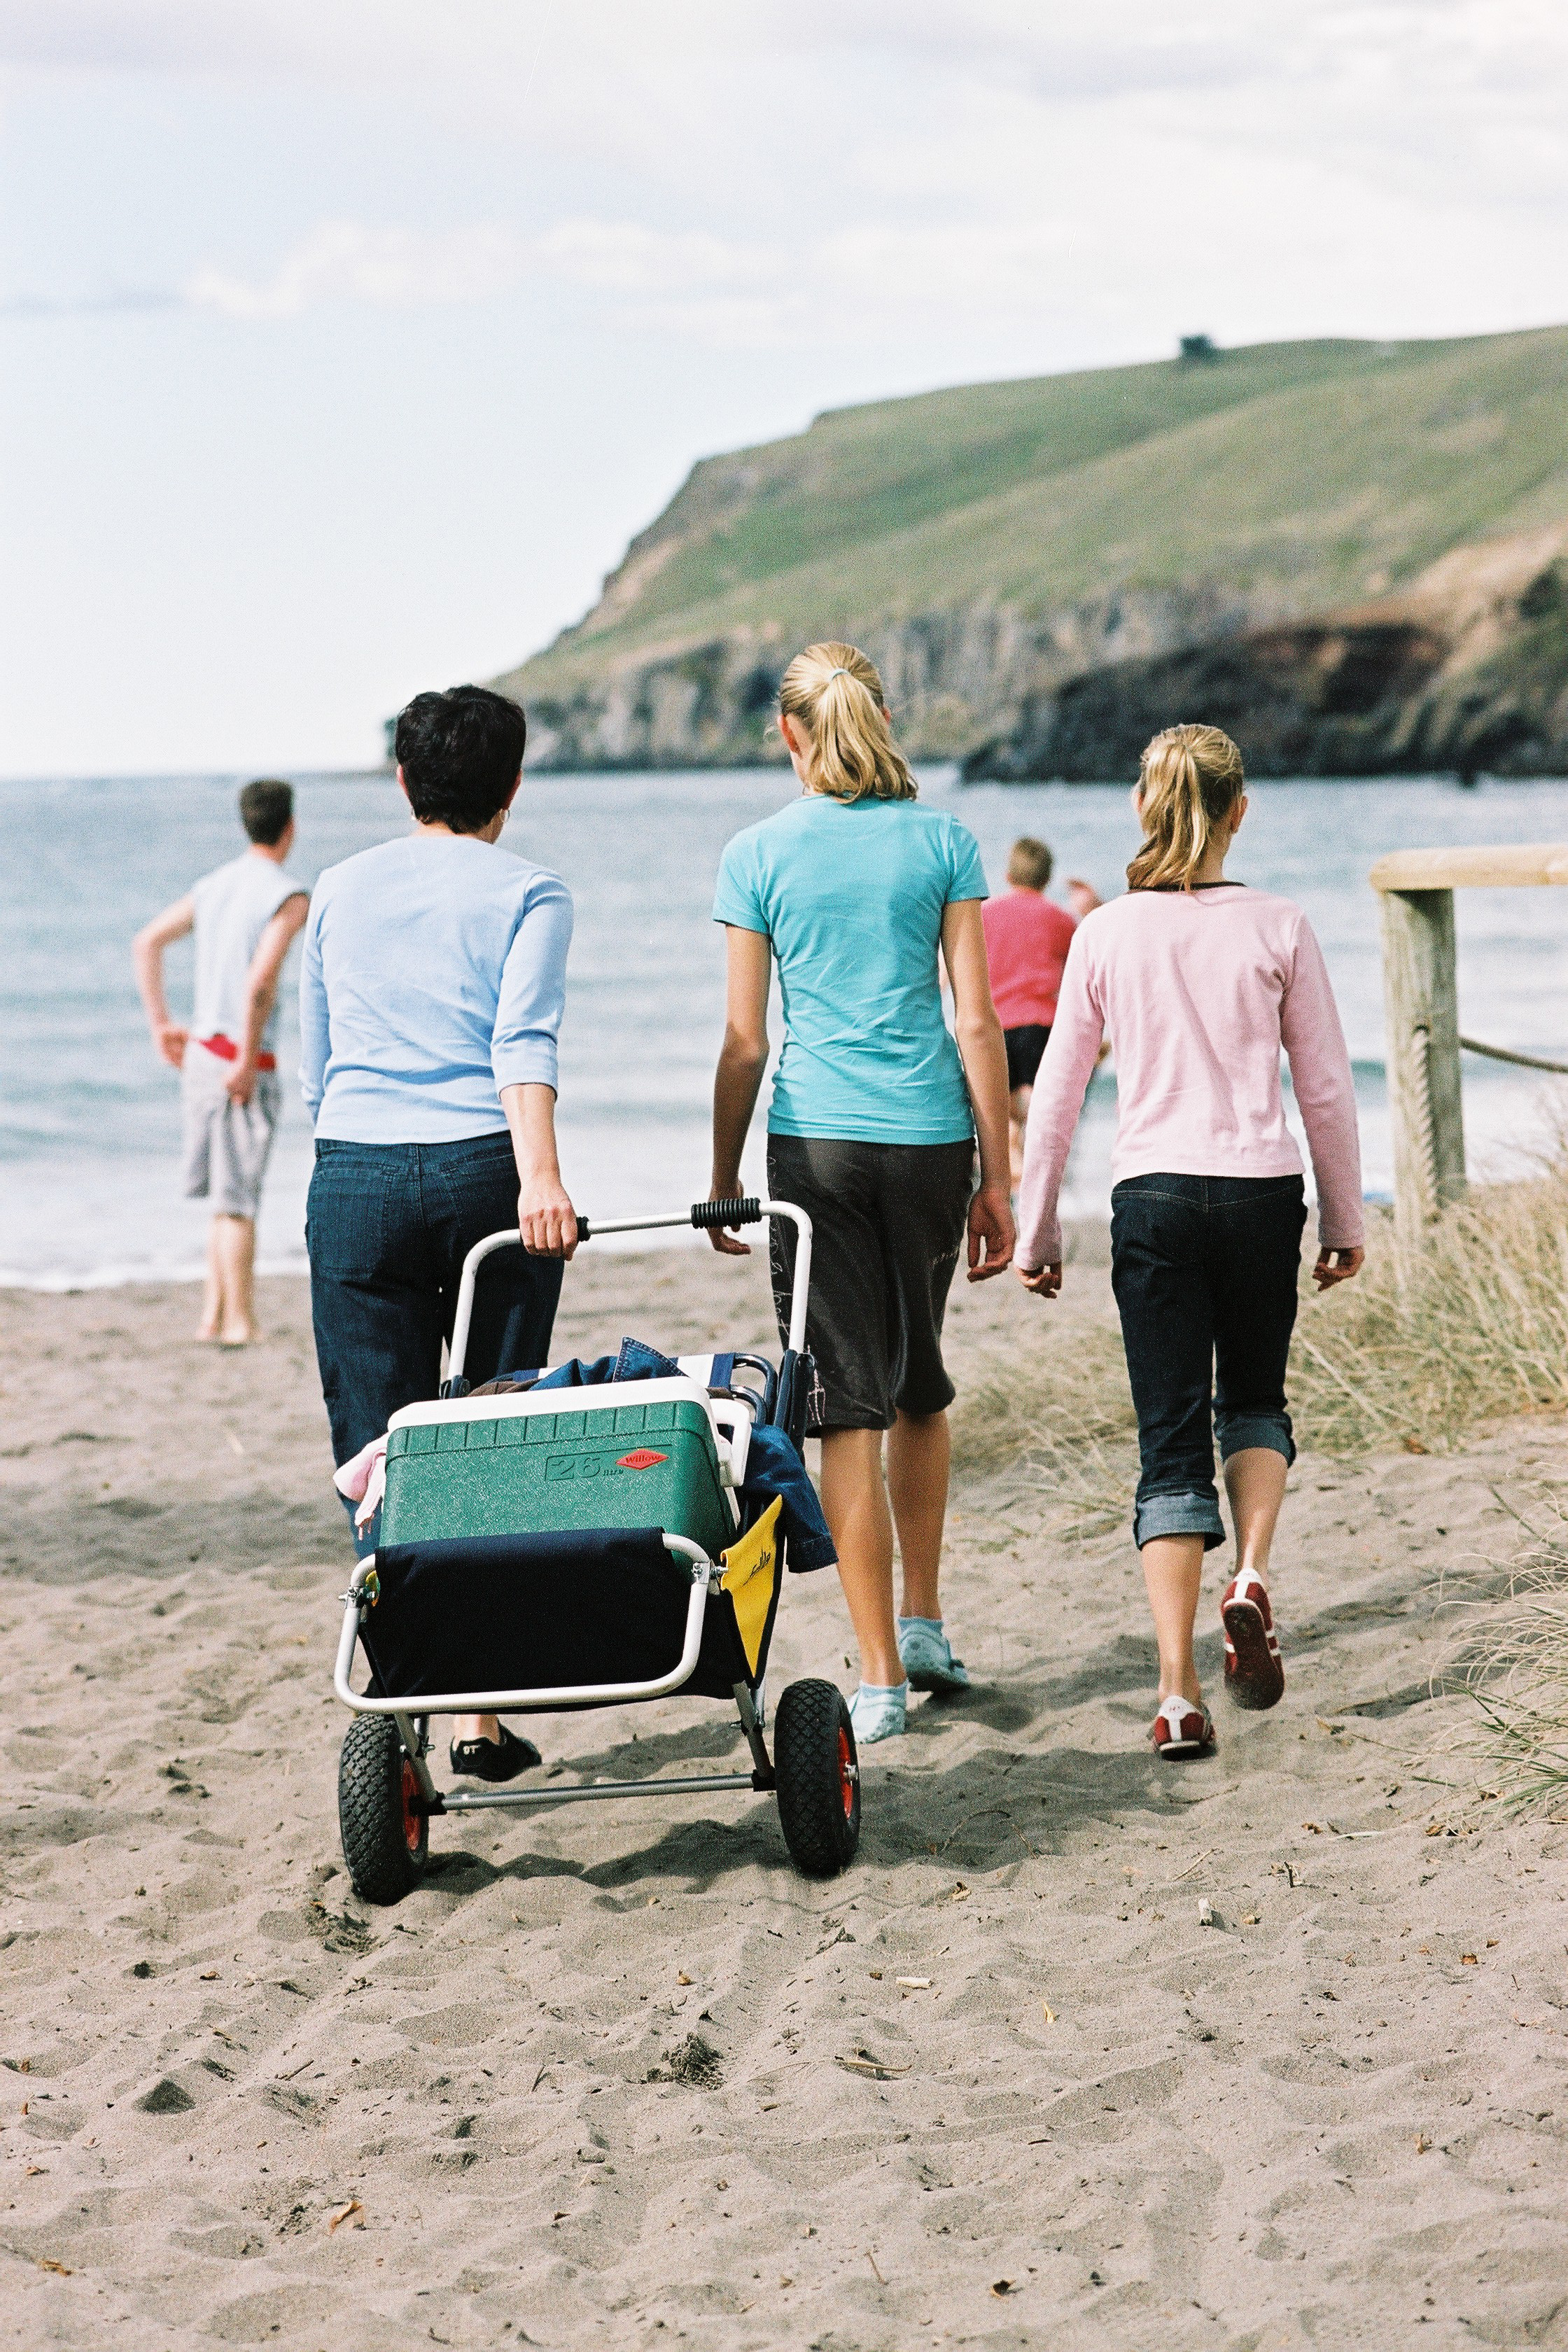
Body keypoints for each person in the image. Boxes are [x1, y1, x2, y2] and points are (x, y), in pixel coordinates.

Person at [1014, 723, 1364, 1758]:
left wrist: (1038, 1232)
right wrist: (1344, 1218)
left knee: (1168, 1442)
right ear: (1240, 810)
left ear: (1143, 806)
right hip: (1261, 1195)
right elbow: (1328, 1090)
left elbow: (1060, 1100)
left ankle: (1174, 1695)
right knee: (1253, 1401)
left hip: (1154, 1200)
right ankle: (1250, 1573)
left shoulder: (1107, 933)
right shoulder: (1282, 925)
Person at [706, 641, 1015, 1745]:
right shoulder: (945, 840)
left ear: (789, 733)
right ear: (882, 718)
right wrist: (1001, 1179)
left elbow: (746, 1042)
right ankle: (927, 1623)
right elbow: (977, 1023)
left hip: (818, 1148)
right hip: (933, 1143)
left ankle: (881, 1674)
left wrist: (722, 1174)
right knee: (921, 1379)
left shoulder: (756, 852)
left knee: (847, 1402)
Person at [300, 684, 577, 1784]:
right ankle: (480, 1716)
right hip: (481, 1172)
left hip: (355, 1173)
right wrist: (544, 1177)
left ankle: (414, 1689)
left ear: (404, 780)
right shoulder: (533, 891)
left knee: (378, 1450)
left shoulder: (336, 886)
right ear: (511, 788)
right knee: (492, 1432)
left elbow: (321, 1062)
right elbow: (525, 1041)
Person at [134, 778, 309, 1345]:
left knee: (221, 1196)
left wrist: (161, 1024)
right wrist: (246, 1058)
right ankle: (240, 1322)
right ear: (289, 827)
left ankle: (212, 1315)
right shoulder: (287, 895)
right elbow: (260, 984)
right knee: (240, 1200)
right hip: (239, 1058)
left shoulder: (214, 886)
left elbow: (148, 942)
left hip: (202, 1057)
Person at [981, 837, 1101, 1182]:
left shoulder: (985, 915)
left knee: (1002, 1104)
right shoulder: (1061, 920)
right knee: (1038, 1101)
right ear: (1047, 879)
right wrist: (1092, 909)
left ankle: (1012, 1155)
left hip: (996, 1024)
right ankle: (1032, 1157)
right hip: (1041, 1026)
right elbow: (1094, 960)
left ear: (1007, 875)